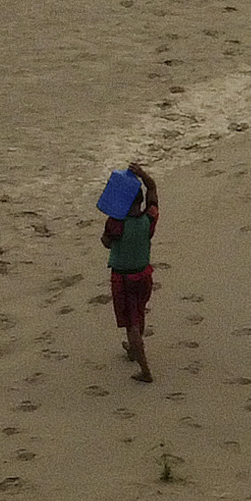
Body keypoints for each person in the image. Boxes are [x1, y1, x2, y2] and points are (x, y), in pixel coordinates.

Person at [97, 163, 159, 380]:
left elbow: (106, 242)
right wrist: (142, 174)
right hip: (144, 275)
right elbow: (152, 190)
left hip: (123, 278)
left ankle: (144, 369)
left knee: (131, 322)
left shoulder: (115, 224)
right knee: (138, 312)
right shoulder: (148, 219)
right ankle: (133, 349)